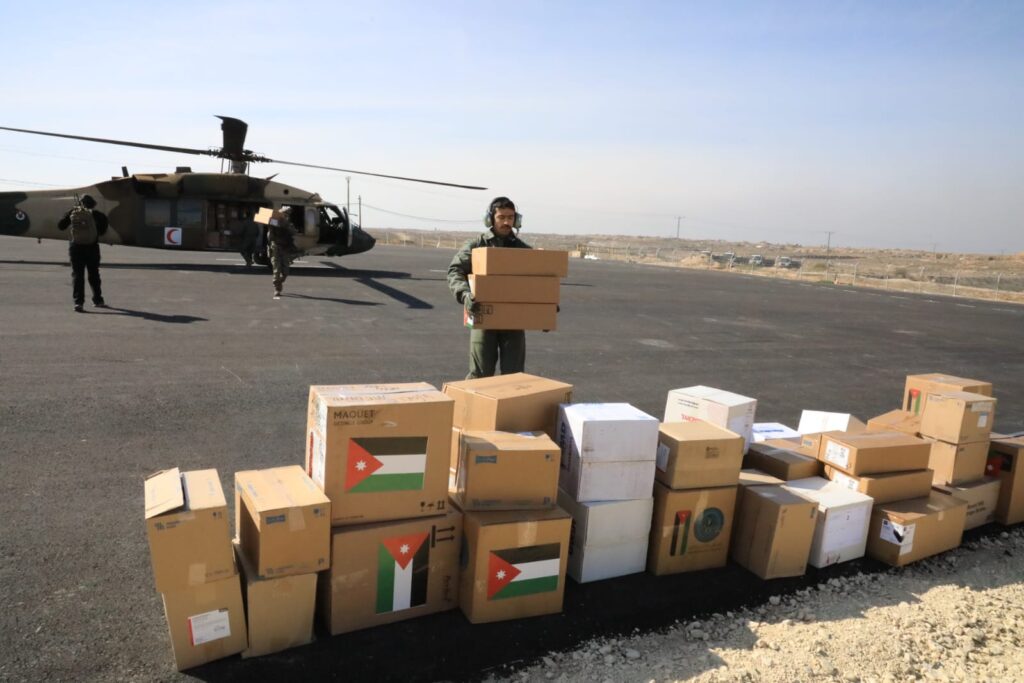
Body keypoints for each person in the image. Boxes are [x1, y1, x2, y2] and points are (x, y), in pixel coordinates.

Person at [448, 196, 530, 379]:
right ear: (490, 219)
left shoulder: (523, 250)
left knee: (514, 376)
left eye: (510, 217)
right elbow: (455, 271)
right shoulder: (477, 245)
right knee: (480, 374)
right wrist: (465, 294)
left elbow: (538, 281)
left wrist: (544, 308)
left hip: (513, 320)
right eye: (501, 217)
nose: (506, 222)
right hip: (481, 315)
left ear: (516, 220)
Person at [57, 194, 108, 312]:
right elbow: (102, 231)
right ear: (93, 204)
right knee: (94, 274)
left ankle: (78, 302)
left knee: (77, 275)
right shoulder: (98, 215)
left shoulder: (73, 213)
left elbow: (60, 226)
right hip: (92, 247)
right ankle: (98, 300)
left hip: (76, 247)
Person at [267, 208, 296, 299]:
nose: (286, 216)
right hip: (276, 248)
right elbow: (269, 230)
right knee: (276, 270)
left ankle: (280, 282)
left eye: (287, 215)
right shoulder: (274, 222)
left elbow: (294, 232)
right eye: (284, 214)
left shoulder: (288, 225)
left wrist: (287, 226)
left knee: (285, 272)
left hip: (285, 249)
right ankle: (277, 289)